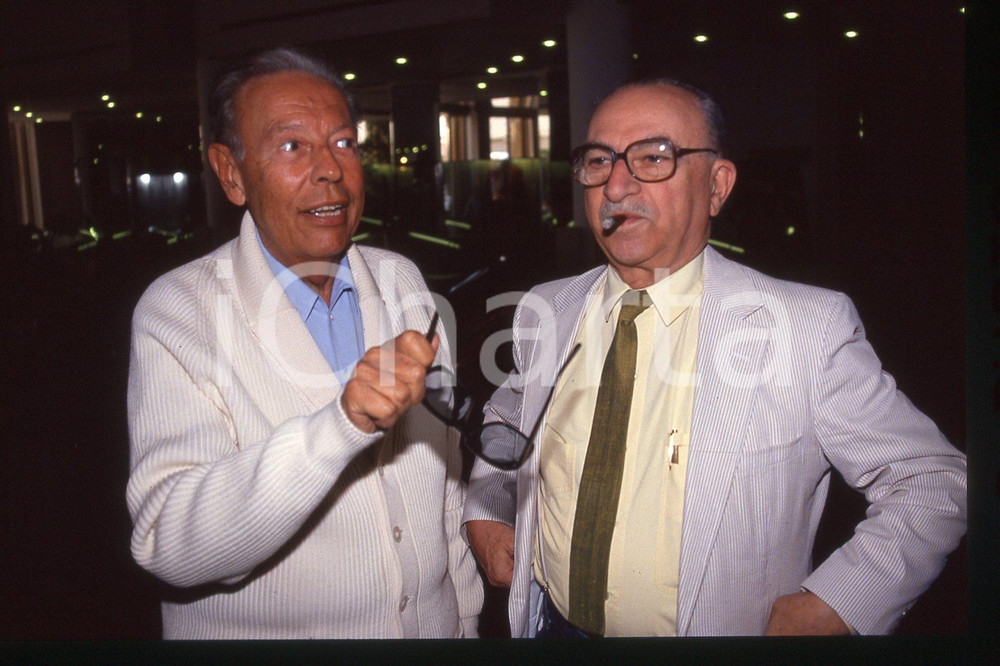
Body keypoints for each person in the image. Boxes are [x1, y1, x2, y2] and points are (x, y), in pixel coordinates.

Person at [462, 79, 966, 637]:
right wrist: (485, 505)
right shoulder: (547, 307)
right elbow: (506, 422)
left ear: (717, 186)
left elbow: (933, 479)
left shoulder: (804, 329)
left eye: (654, 158)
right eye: (599, 160)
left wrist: (841, 602)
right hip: (549, 625)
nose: (617, 184)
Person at [126, 48, 482, 639]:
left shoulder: (401, 282)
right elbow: (167, 541)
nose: (330, 171)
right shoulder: (179, 310)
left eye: (343, 142)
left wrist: (466, 618)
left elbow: (442, 477)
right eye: (292, 146)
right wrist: (340, 424)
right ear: (232, 173)